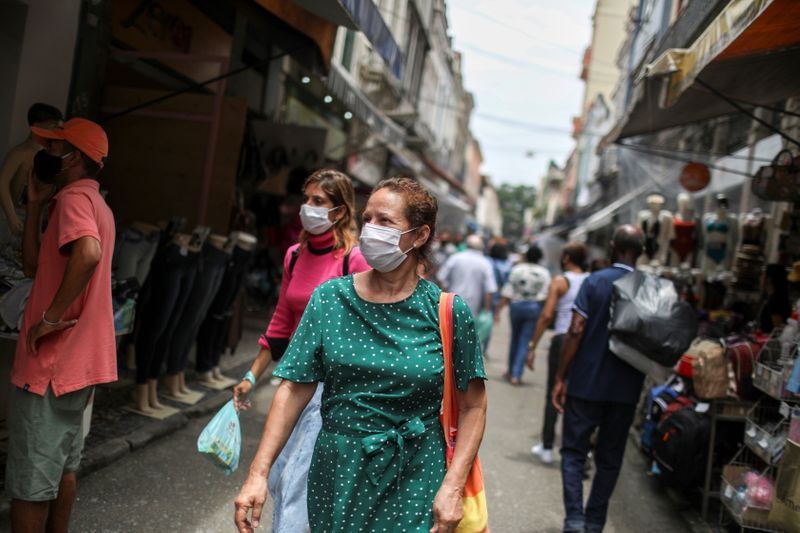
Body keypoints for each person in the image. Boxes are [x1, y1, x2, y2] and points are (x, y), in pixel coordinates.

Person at [235, 177, 487, 533]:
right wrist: (257, 474)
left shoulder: (447, 312)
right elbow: (293, 389)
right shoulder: (329, 298)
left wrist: (452, 486)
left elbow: (474, 406)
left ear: (419, 235)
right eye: (367, 219)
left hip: (414, 475)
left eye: (385, 221)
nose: (371, 229)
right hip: (337, 473)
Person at [232, 169, 369, 533]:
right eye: (306, 199)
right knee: (279, 477)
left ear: (339, 212)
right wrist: (251, 374)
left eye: (319, 202)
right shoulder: (294, 255)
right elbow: (281, 321)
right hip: (294, 384)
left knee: (297, 482)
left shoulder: (353, 260)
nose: (308, 207)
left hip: (330, 389)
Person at [7, 118, 115, 533]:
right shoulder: (92, 202)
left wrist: (50, 318)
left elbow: (87, 254)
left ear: (75, 159)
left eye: (55, 148)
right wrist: (35, 205)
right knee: (64, 468)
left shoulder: (73, 202)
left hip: (50, 368)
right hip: (76, 366)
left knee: (32, 483)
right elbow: (34, 265)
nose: (46, 154)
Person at [551, 225, 646, 533]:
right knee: (610, 458)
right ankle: (594, 523)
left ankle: (575, 520)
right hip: (627, 388)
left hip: (586, 383)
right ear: (640, 251)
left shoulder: (595, 281)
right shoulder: (647, 286)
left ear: (613, 247)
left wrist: (561, 376)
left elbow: (575, 330)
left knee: (574, 453)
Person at [526, 242, 588, 464]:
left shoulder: (561, 282)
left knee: (553, 390)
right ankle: (580, 450)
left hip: (562, 339)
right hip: (583, 342)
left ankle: (547, 445)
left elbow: (546, 315)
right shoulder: (591, 281)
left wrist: (533, 345)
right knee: (575, 394)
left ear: (566, 258)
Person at [0, 103, 62, 240]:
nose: (57, 130)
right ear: (37, 126)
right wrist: (11, 217)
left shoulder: (50, 157)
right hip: (15, 214)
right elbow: (2, 182)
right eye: (53, 126)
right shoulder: (20, 153)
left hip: (36, 217)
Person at [496, 244, 551, 385]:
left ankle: (510, 370)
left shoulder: (517, 269)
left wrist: (499, 310)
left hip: (516, 306)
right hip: (534, 307)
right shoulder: (545, 273)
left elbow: (508, 290)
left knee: (515, 338)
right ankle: (516, 375)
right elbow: (546, 295)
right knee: (525, 340)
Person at [436, 234, 497, 318]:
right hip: (473, 310)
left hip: (451, 305)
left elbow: (441, 277)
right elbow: (489, 290)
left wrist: (444, 295)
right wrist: (487, 312)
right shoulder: (485, 263)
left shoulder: (455, 258)